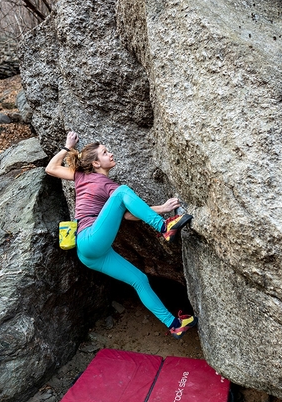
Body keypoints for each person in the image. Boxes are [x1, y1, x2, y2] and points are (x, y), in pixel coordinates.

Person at [45, 131, 198, 339]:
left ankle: (173, 324)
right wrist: (68, 146)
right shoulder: (83, 176)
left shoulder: (111, 188)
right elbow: (51, 168)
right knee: (123, 191)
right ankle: (164, 228)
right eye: (105, 153)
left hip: (91, 254)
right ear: (96, 164)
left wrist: (162, 208)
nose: (111, 154)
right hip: (89, 239)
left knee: (140, 280)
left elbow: (128, 215)